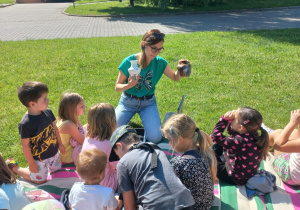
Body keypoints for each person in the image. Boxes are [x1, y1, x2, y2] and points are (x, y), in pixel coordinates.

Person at [115, 29, 188, 144]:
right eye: (154, 48)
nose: (156, 53)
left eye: (159, 49)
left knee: (155, 138)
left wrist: (180, 70)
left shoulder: (160, 62)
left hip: (147, 103)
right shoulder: (129, 61)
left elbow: (175, 78)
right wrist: (129, 85)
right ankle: (126, 122)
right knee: (112, 133)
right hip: (128, 102)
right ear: (144, 44)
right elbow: (117, 87)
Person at [109, 125, 195, 210]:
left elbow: (130, 207)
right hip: (186, 202)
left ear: (120, 145)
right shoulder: (154, 147)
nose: (119, 158)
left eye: (117, 155)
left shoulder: (123, 163)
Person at [6, 81, 65, 184]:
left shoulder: (48, 112)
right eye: (44, 99)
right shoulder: (25, 124)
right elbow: (25, 146)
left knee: (58, 174)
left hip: (54, 153)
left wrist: (60, 144)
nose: (48, 100)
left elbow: (55, 129)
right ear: (32, 104)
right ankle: (14, 168)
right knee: (39, 181)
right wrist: (31, 162)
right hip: (39, 159)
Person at [162, 114, 217, 210]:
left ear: (180, 139)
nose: (169, 144)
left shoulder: (179, 164)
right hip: (207, 204)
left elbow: (169, 190)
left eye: (169, 140)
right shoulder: (205, 152)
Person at [210, 107, 269, 185]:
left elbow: (215, 137)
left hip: (235, 177)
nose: (232, 118)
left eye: (234, 119)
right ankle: (219, 158)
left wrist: (224, 120)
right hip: (244, 172)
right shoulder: (253, 133)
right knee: (218, 145)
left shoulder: (240, 141)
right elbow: (232, 132)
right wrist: (231, 121)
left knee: (208, 161)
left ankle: (217, 159)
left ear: (240, 127)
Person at [81, 103, 118, 191]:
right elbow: (119, 166)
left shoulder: (88, 138)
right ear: (111, 122)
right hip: (105, 184)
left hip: (87, 181)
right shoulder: (110, 144)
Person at [270, 109, 300, 185]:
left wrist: (293, 123)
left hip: (291, 176)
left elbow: (279, 145)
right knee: (295, 133)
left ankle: (256, 144)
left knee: (278, 134)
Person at [57, 92, 86, 164]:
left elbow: (81, 128)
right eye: (81, 106)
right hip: (69, 157)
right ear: (72, 110)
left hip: (69, 152)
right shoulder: (69, 125)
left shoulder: (67, 119)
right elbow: (83, 142)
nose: (85, 107)